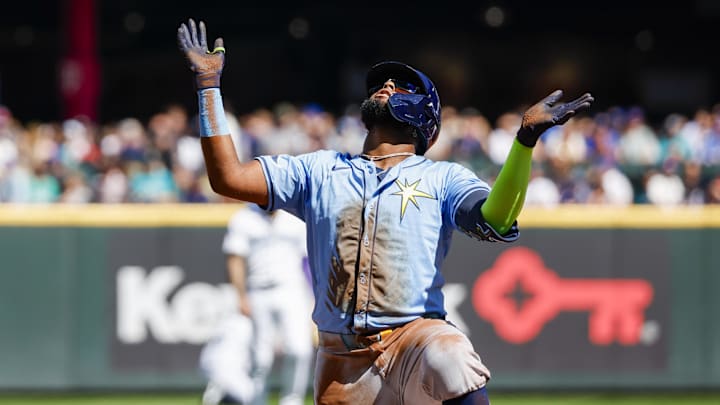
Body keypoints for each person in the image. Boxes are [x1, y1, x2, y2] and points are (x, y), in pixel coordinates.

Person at [178, 19, 593, 405]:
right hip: (341, 357)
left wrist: (524, 141)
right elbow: (227, 177)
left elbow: (495, 218)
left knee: (451, 354)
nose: (388, 85)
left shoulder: (442, 177)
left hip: (415, 339)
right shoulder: (318, 169)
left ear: (424, 114)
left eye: (402, 86)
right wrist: (208, 85)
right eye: (384, 82)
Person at [200, 204, 314, 405]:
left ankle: (292, 400)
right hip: (258, 289)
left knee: (299, 349)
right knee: (261, 356)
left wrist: (313, 294)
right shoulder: (244, 217)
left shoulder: (295, 216)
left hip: (292, 288)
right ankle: (257, 400)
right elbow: (235, 258)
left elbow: (307, 259)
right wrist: (241, 295)